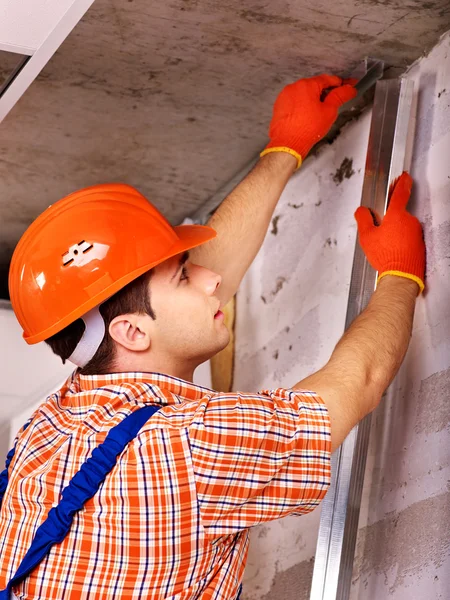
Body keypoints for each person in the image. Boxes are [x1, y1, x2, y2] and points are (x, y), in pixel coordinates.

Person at [0, 74, 425, 599]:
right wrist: (400, 277)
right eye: (184, 276)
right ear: (128, 332)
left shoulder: (51, 429)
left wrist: (285, 149)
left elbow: (164, 309)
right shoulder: (188, 445)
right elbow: (357, 383)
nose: (211, 280)